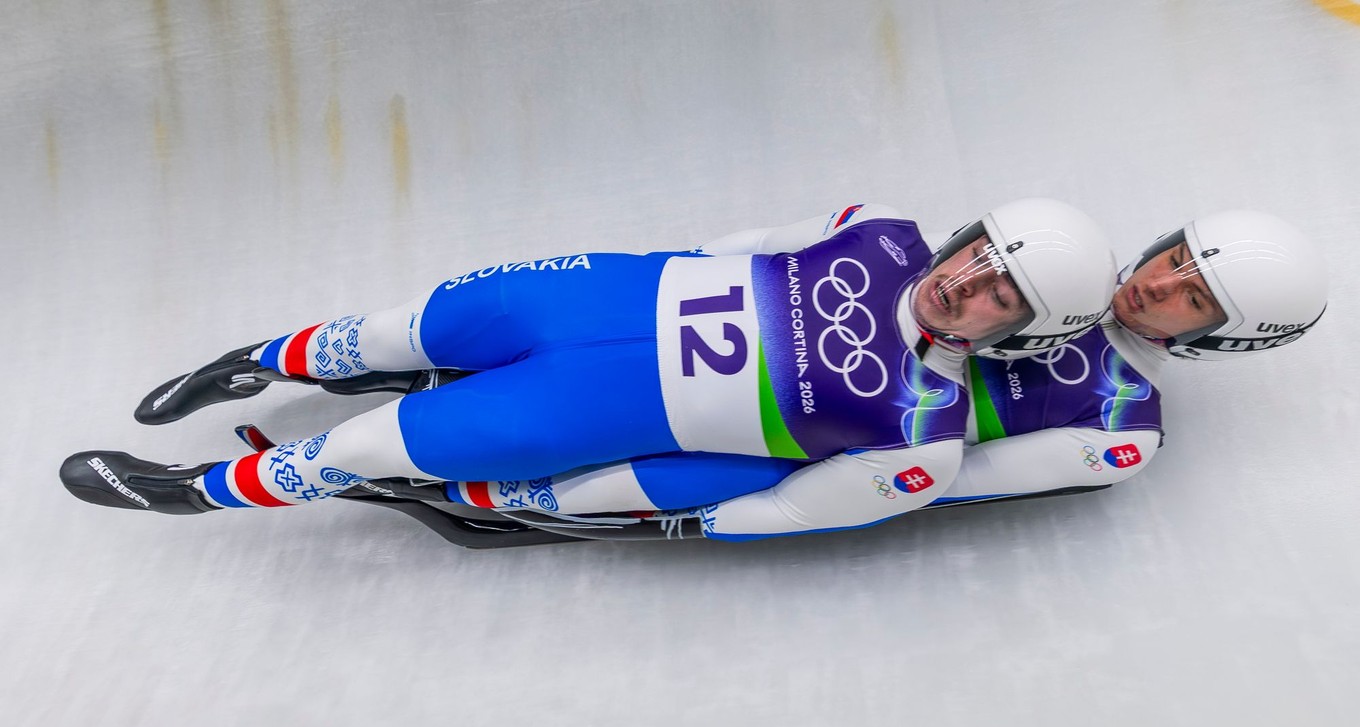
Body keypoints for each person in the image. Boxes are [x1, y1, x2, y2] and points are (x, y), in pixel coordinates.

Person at [60, 199, 1116, 540]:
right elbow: (745, 242)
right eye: (979, 255)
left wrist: (620, 507)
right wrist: (640, 263)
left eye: (997, 296)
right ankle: (253, 363)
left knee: (368, 444)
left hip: (591, 408)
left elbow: (785, 505)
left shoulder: (922, 436)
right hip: (603, 299)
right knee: (400, 329)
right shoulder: (879, 230)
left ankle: (190, 493)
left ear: (1020, 333)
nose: (965, 284)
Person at [455, 209, 1326, 537]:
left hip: (822, 436)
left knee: (722, 467)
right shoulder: (1059, 246)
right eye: (1177, 257)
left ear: (1229, 340)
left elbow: (944, 483)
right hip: (761, 340)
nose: (1157, 282)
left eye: (1190, 298)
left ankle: (546, 500)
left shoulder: (1123, 426)